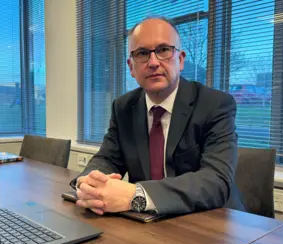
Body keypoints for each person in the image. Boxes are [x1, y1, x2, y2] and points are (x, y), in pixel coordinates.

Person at [70, 17, 245, 215]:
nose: (153, 62)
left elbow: (216, 182)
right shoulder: (123, 107)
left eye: (163, 50)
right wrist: (88, 183)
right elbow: (107, 158)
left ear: (180, 60)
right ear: (131, 67)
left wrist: (135, 195)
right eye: (142, 53)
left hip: (210, 223)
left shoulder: (215, 104)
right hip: (148, 223)